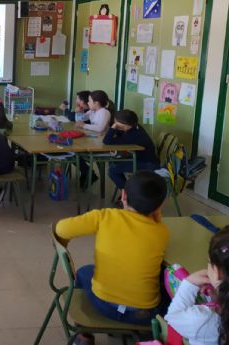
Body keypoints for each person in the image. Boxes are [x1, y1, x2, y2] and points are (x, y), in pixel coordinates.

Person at [54, 171, 168, 332]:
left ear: (123, 195)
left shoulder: (105, 217)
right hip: (144, 315)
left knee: (84, 272)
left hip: (104, 305)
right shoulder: (161, 232)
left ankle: (84, 334)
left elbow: (61, 228)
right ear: (159, 207)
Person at [165, 226, 229, 345]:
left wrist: (189, 283)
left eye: (209, 262)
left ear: (217, 272)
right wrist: (221, 299)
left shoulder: (204, 319)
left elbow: (173, 317)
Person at [103, 110, 159, 190]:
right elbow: (119, 136)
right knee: (114, 162)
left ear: (126, 124)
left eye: (117, 124)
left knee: (112, 170)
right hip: (144, 159)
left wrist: (113, 127)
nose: (116, 125)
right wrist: (117, 127)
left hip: (148, 164)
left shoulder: (132, 135)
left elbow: (107, 141)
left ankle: (128, 193)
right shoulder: (134, 127)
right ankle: (127, 189)